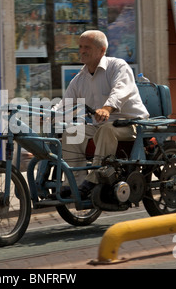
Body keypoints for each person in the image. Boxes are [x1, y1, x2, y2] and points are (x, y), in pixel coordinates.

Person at [57, 30, 149, 199]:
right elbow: (65, 106)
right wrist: (46, 116)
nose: (82, 51)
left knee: (106, 129)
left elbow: (120, 90)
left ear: (102, 50)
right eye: (80, 47)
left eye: (87, 47)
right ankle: (74, 181)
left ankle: (93, 180)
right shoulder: (79, 78)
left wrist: (107, 108)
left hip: (132, 125)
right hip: (100, 127)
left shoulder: (118, 66)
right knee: (72, 132)